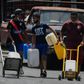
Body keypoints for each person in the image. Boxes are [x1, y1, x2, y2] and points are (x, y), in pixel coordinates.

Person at [31, 12, 57, 77]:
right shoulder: (33, 28)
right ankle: (41, 71)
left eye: (34, 18)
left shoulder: (44, 25)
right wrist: (33, 45)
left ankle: (45, 70)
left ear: (38, 18)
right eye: (33, 18)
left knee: (44, 57)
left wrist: (56, 36)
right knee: (39, 58)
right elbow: (33, 37)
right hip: (37, 44)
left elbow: (52, 29)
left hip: (44, 44)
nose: (33, 19)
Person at [7, 8, 27, 75]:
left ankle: (20, 67)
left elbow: (24, 32)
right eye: (21, 14)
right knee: (13, 55)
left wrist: (26, 40)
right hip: (11, 41)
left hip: (20, 41)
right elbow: (9, 32)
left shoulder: (21, 23)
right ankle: (12, 66)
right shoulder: (11, 22)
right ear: (17, 15)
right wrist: (12, 39)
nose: (22, 16)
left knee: (20, 54)